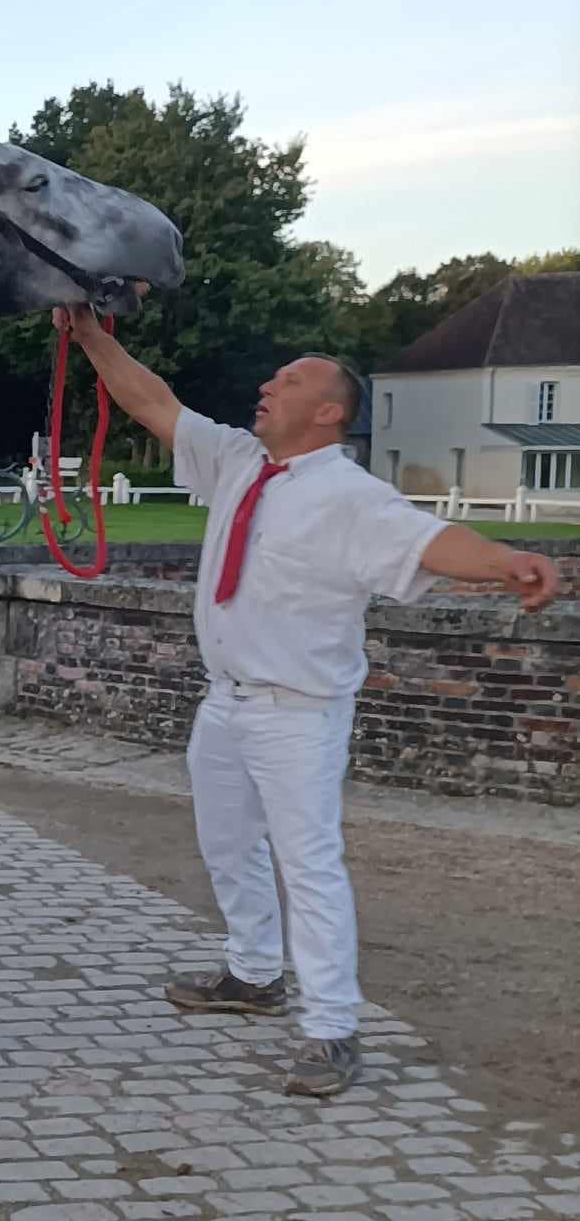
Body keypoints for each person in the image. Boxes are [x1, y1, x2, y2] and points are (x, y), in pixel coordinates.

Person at [56, 304, 561, 1097]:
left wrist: (506, 560)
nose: (266, 385)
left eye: (287, 380)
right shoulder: (234, 459)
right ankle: (252, 971)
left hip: (297, 711)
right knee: (226, 844)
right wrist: (89, 336)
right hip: (223, 701)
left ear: (327, 411)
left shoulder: (352, 497)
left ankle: (331, 1028)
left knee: (308, 864)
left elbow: (430, 541)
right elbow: (150, 400)